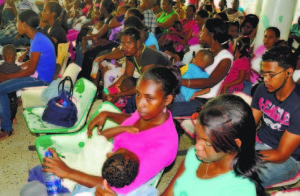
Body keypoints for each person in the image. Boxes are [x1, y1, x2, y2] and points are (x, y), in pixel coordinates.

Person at [32, 66, 180, 195]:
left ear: (167, 100)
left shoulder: (165, 144)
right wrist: (108, 114)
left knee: (40, 185)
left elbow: (118, 188)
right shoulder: (149, 113)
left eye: (149, 98)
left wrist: (68, 172)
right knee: (40, 174)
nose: (140, 104)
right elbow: (132, 120)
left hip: (107, 184)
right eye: (138, 94)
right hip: (101, 164)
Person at [162, 94, 266, 196]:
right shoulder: (193, 156)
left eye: (207, 142)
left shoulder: (240, 190)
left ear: (234, 144)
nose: (197, 146)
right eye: (197, 136)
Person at [0, 9, 56, 140]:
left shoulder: (38, 41)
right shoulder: (36, 37)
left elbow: (30, 71)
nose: (17, 25)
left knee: (1, 88)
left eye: (18, 22)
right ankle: (6, 117)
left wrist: (7, 76)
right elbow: (36, 59)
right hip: (38, 74)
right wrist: (22, 66)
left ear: (24, 24)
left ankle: (6, 128)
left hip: (41, 79)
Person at [251, 46, 300, 187]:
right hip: (259, 143)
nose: (265, 79)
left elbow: (281, 154)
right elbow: (249, 123)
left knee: (243, 180)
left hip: (287, 160)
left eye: (271, 75)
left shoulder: (297, 105)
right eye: (264, 74)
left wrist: (246, 156)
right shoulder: (262, 89)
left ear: (288, 73)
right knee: (220, 160)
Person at [171, 18, 233, 117]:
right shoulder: (204, 52)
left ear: (210, 34)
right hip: (184, 92)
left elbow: (209, 82)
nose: (200, 33)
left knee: (164, 110)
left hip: (201, 100)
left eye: (203, 31)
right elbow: (189, 67)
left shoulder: (226, 58)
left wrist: (180, 81)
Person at [104, 27, 170, 100]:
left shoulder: (147, 58)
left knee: (132, 99)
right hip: (150, 82)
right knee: (125, 84)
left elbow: (143, 85)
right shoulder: (131, 53)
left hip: (165, 86)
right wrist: (109, 90)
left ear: (138, 43)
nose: (125, 47)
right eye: (123, 43)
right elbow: (127, 75)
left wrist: (121, 94)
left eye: (129, 43)